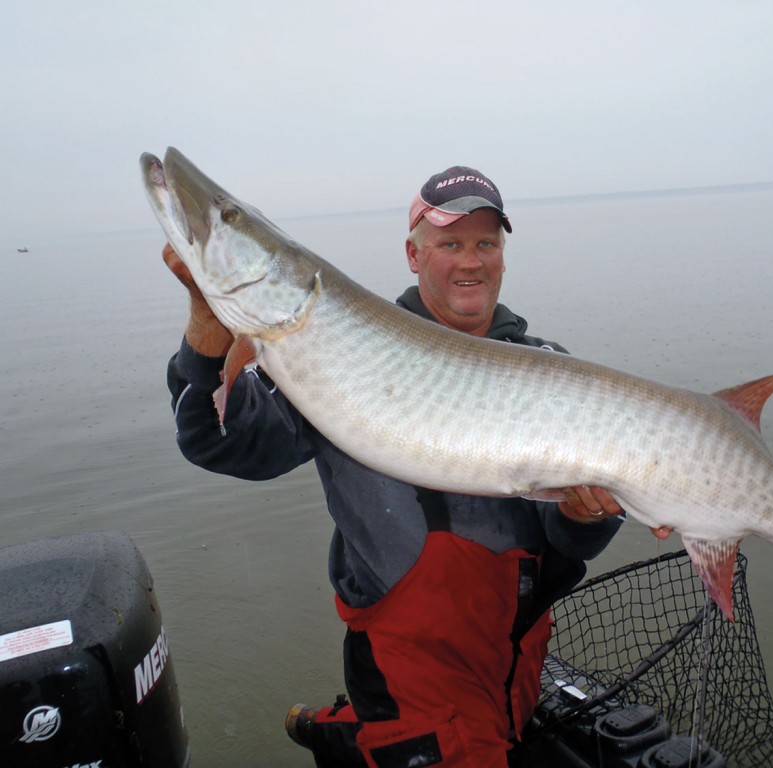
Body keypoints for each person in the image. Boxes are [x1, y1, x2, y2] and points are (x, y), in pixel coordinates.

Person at [163, 166, 626, 768]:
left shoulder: (548, 368)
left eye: (486, 243)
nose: (471, 261)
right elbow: (219, 443)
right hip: (409, 684)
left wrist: (587, 518)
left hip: (514, 665)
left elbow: (568, 542)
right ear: (414, 254)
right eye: (450, 244)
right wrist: (207, 323)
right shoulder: (330, 348)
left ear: (503, 255)